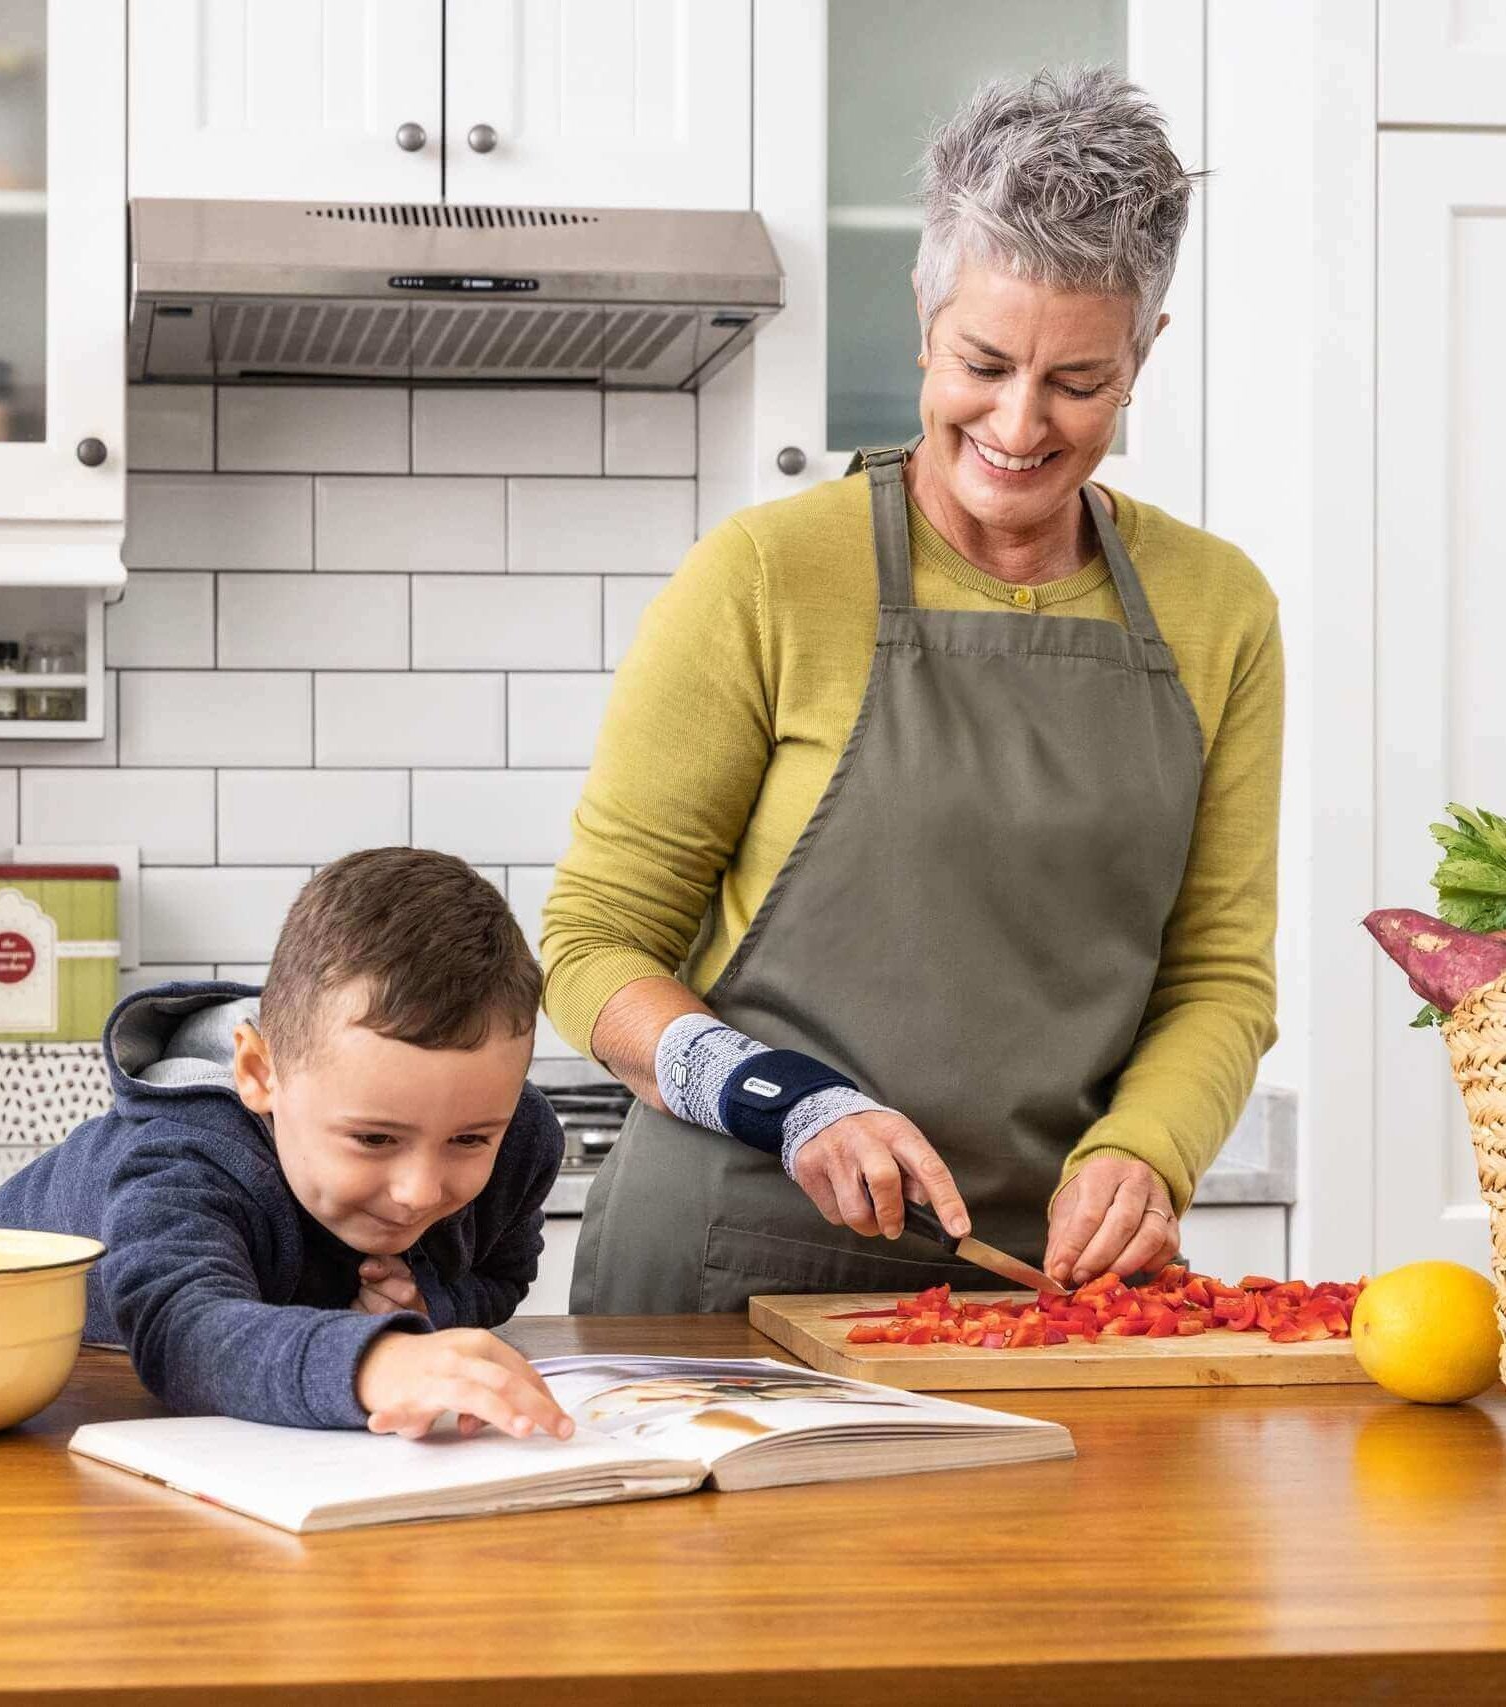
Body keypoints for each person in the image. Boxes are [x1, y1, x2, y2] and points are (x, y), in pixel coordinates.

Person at [544, 66, 1282, 1313]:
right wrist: (787, 1099)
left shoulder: (1219, 610)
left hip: (1035, 1283)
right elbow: (588, 947)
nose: (1019, 422)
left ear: (1145, 352)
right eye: (983, 363)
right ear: (922, 317)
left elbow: (1219, 976)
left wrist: (1142, 1152)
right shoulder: (771, 575)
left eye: (1079, 383)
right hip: (728, 1261)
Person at [0, 848, 573, 1440]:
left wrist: (426, 1303)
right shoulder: (186, 1157)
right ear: (260, 1074)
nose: (419, 1191)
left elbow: (502, 1274)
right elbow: (183, 1333)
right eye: (373, 1138)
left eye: (469, 1139)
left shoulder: (522, 1138)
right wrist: (372, 1361)